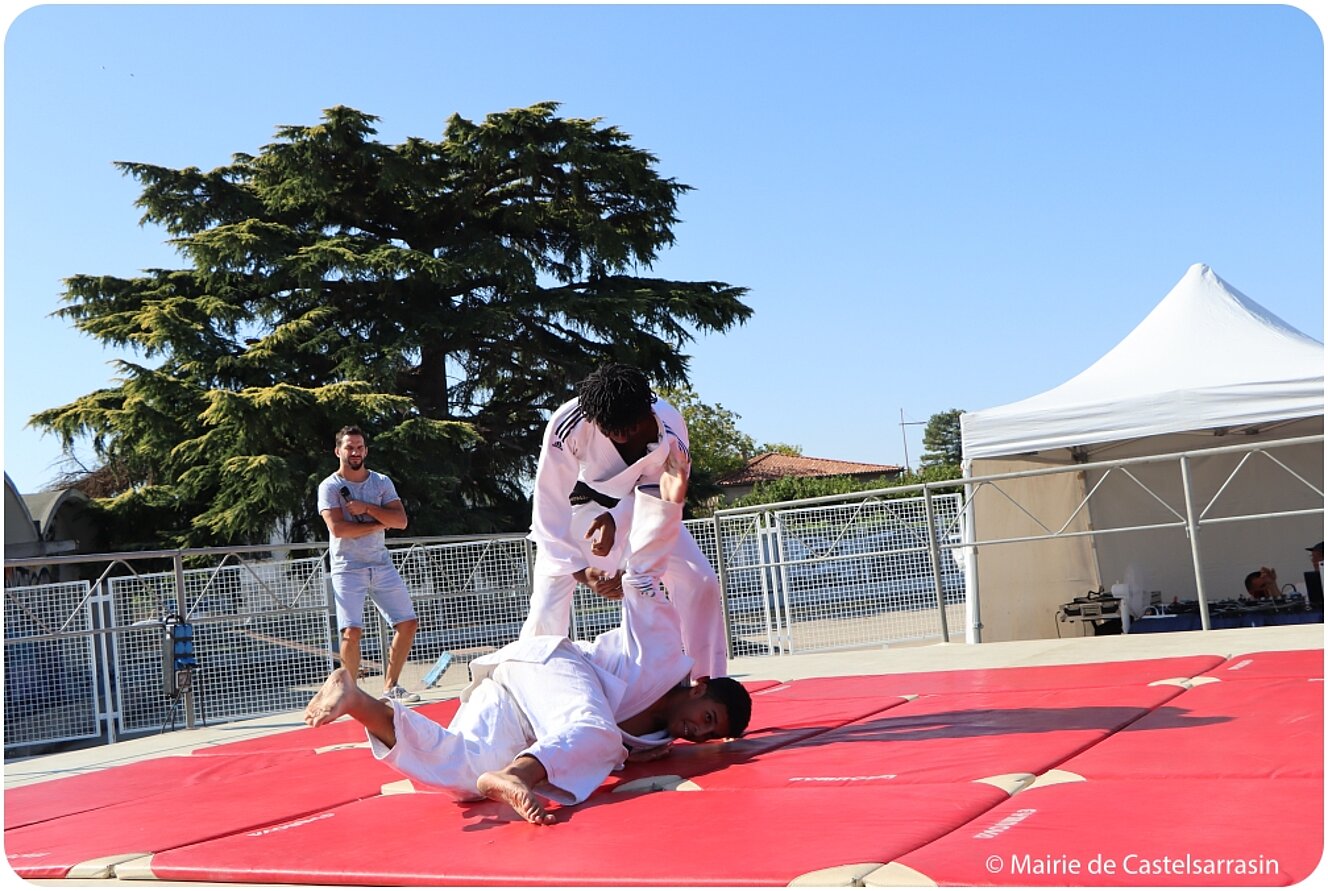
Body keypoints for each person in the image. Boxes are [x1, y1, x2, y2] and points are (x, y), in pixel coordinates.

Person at [303, 444, 752, 825]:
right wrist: (663, 509)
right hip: (550, 665)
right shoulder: (665, 655)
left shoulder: (656, 742)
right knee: (597, 732)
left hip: (523, 706)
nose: (695, 732)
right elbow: (645, 579)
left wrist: (633, 754)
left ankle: (357, 700)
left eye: (704, 737)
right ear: (701, 687)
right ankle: (521, 775)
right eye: (707, 718)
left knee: (464, 776)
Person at [521, 363, 726, 681]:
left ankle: (706, 682)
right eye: (611, 430)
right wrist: (581, 572)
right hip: (579, 509)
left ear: (647, 409)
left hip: (644, 508)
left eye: (631, 428)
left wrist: (623, 533)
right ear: (593, 419)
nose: (622, 436)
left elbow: (663, 500)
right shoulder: (568, 423)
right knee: (548, 601)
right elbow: (549, 500)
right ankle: (532, 686)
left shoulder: (670, 426)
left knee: (700, 581)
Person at [317, 425, 420, 703]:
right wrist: (380, 523)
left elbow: (400, 521)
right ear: (338, 451)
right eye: (349, 447)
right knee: (351, 631)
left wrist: (367, 509)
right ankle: (351, 694)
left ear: (366, 450)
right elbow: (338, 529)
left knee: (408, 623)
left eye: (360, 447)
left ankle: (391, 687)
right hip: (347, 567)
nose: (355, 452)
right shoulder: (329, 487)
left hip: (381, 563)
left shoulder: (381, 482)